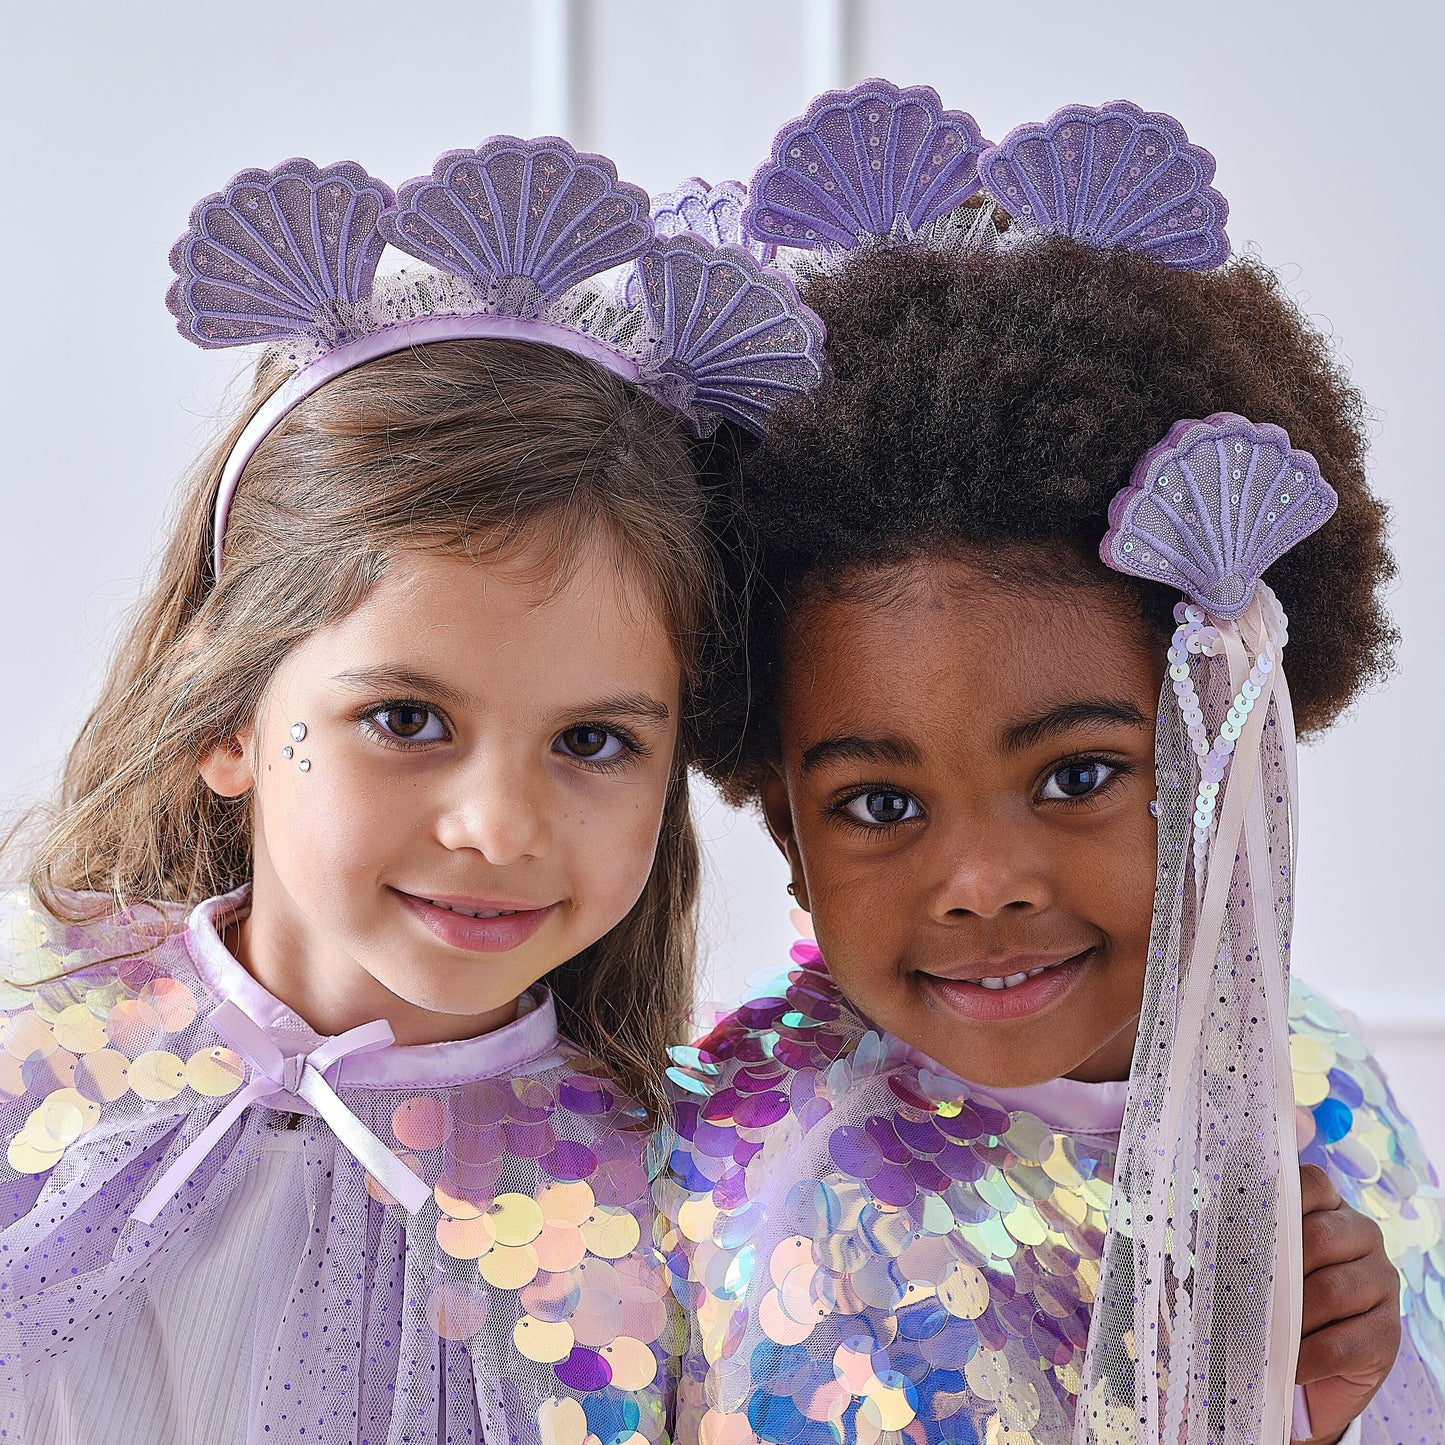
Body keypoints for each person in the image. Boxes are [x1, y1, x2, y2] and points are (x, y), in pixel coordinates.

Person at [0, 138, 823, 1443]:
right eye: (406, 717)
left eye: (594, 740)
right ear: (228, 713)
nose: (498, 824)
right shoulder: (32, 1077)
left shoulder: (678, 1202)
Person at [663, 83, 1444, 1445]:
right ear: (786, 823)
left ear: (1221, 745)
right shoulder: (770, 1203)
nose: (980, 879)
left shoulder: (1309, 1073)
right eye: (879, 803)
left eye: (1078, 774)